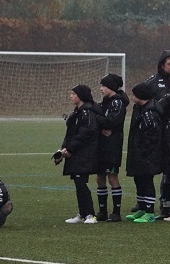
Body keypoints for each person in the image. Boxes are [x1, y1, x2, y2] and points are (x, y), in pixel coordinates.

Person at [124, 83, 163, 224]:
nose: (132, 97)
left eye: (134, 94)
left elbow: (152, 135)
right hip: (138, 153)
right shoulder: (140, 109)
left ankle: (149, 212)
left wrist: (143, 151)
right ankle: (141, 208)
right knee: (138, 180)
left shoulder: (149, 113)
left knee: (147, 181)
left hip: (147, 155)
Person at [62, 85, 100, 224]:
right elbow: (71, 134)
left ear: (81, 96)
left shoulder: (87, 112)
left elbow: (86, 133)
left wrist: (70, 148)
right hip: (76, 152)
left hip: (84, 153)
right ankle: (82, 213)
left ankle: (91, 215)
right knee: (78, 184)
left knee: (81, 183)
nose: (71, 96)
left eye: (73, 94)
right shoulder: (78, 112)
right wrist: (64, 149)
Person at [96, 74, 128, 222]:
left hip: (112, 145)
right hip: (101, 144)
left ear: (111, 87)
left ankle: (116, 212)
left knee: (112, 176)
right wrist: (100, 126)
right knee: (100, 177)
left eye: (104, 86)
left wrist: (99, 120)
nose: (101, 88)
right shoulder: (104, 102)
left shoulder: (118, 102)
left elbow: (112, 121)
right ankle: (102, 211)